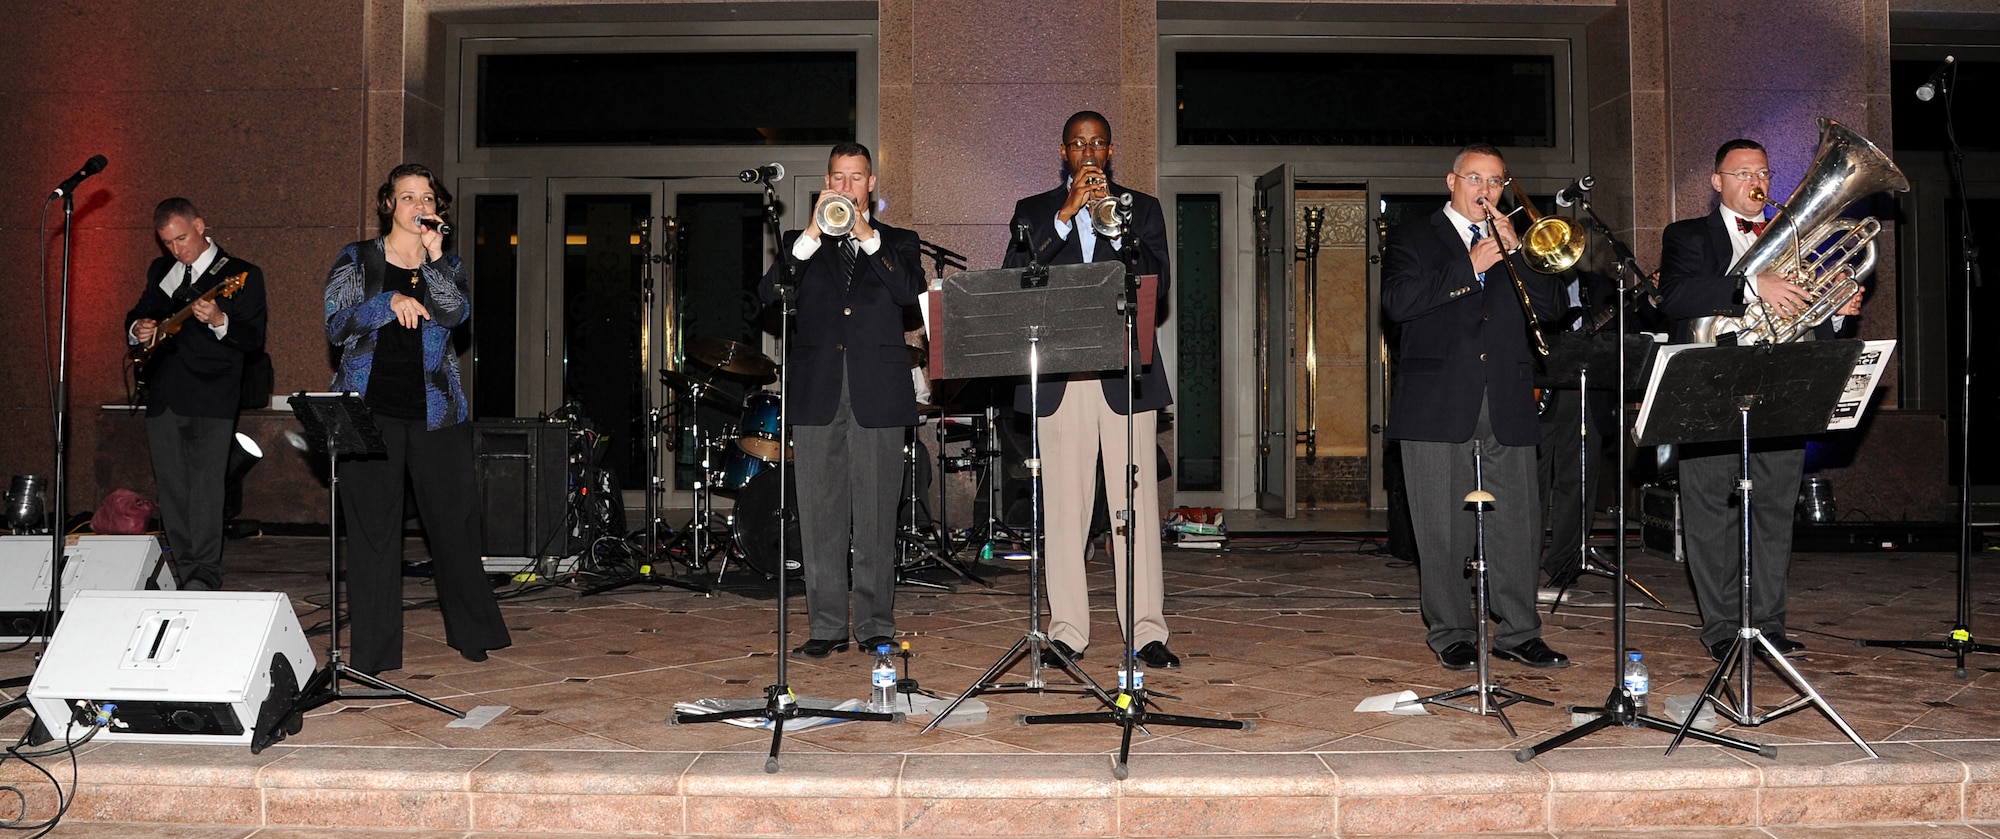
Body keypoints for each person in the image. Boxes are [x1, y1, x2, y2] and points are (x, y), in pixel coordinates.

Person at [1657, 138, 1862, 663]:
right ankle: (1723, 626)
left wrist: (1836, 309)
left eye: (1765, 171)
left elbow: (1808, 315)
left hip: (1780, 386)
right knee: (1710, 514)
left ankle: (1769, 624)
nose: (1757, 181)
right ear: (1717, 181)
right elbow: (1675, 297)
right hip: (1711, 386)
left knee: (1773, 509)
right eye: (1743, 171)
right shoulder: (1687, 236)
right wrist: (1752, 287)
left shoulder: (1797, 235)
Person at [1001, 110, 1179, 670]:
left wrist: (1114, 227)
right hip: (1059, 379)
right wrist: (1064, 218)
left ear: (1109, 151)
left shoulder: (1141, 209)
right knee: (1065, 511)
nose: (1088, 153)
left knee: (1135, 511)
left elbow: (1160, 283)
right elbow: (1015, 277)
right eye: (1078, 144)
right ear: (1064, 153)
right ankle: (1068, 632)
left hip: (1123, 377)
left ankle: (1146, 631)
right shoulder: (1033, 213)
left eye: (1098, 143)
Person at [1381, 143, 1569, 671]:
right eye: (1475, 179)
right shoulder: (1414, 236)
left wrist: (1522, 257)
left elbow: (1554, 309)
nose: (1486, 191)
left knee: (1519, 524)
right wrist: (1469, 265)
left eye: (1495, 181)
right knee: (1441, 527)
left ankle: (1519, 631)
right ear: (1451, 181)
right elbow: (1397, 303)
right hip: (1436, 400)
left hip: (1507, 395)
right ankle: (1451, 632)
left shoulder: (1518, 238)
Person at [324, 163, 511, 674]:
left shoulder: (446, 265)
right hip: (369, 410)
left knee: (453, 524)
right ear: (389, 204)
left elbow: (455, 316)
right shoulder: (357, 258)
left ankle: (473, 633)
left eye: (426, 198)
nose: (418, 207)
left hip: (437, 412)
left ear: (438, 209)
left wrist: (432, 261)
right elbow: (338, 326)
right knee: (373, 533)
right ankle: (375, 652)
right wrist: (389, 300)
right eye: (407, 197)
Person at [758, 142, 924, 659]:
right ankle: (826, 625)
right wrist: (811, 234)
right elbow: (768, 296)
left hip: (878, 391)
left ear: (871, 184)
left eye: (856, 178)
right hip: (817, 393)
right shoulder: (799, 244)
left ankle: (875, 624)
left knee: (877, 514)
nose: (846, 187)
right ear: (825, 183)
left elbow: (911, 296)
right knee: (820, 513)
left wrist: (868, 237)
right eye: (837, 178)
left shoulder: (898, 242)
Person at [125, 198, 268, 591]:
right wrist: (138, 327)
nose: (176, 250)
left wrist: (221, 321)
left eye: (181, 238)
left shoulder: (241, 274)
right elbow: (139, 311)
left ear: (200, 226)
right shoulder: (163, 270)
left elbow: (253, 339)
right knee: (171, 490)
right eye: (167, 242)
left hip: (212, 395)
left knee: (206, 489)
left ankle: (205, 574)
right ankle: (185, 569)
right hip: (165, 395)